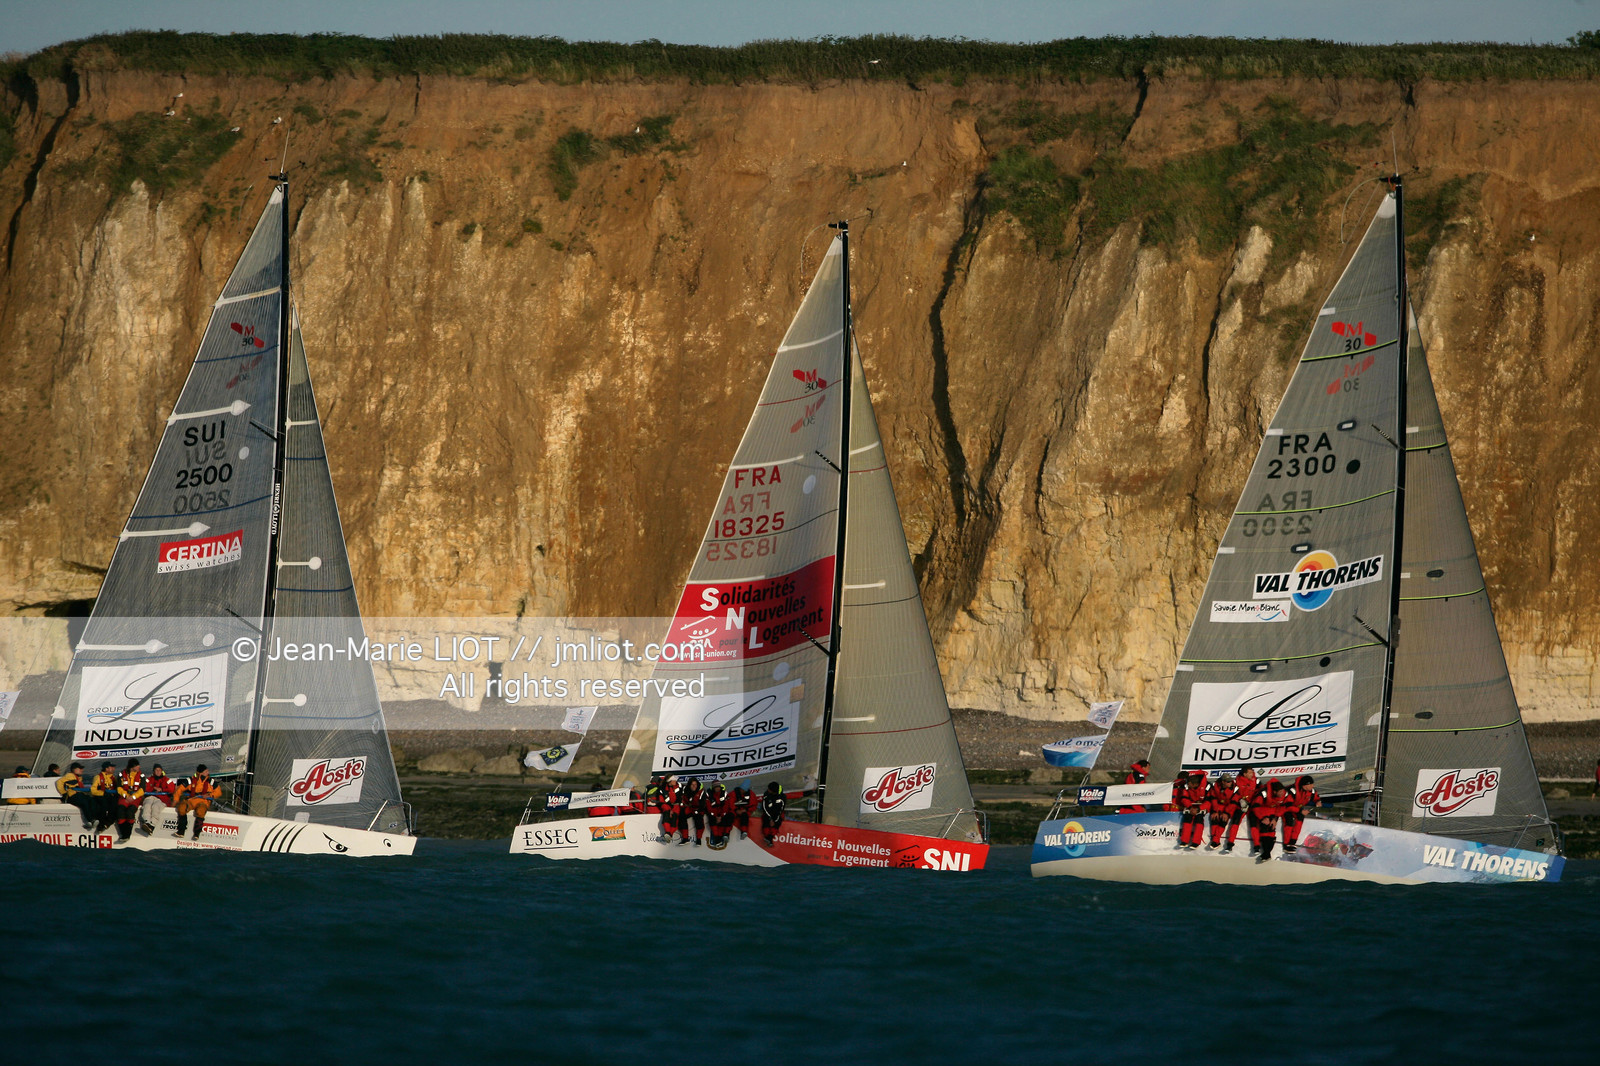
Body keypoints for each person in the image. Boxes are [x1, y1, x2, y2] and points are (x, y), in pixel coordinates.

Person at [173, 765, 221, 840]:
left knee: (201, 811)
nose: (208, 772)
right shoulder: (190, 780)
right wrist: (176, 800)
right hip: (191, 800)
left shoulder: (211, 782)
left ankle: (197, 833)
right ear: (200, 773)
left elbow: (218, 792)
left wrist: (210, 795)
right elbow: (179, 789)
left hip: (204, 801)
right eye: (206, 771)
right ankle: (181, 830)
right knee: (182, 807)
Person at [1251, 779, 1289, 862]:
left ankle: (1266, 853)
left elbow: (1283, 807)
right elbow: (1256, 806)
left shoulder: (1284, 794)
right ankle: (1266, 853)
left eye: (1282, 791)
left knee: (1271, 829)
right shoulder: (1263, 793)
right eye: (1280, 792)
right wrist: (1262, 818)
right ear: (1274, 792)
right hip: (1262, 809)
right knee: (1264, 828)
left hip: (1274, 811)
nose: (1282, 793)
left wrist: (1275, 818)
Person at [1281, 775, 1319, 855]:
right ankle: (1286, 844)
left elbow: (1316, 797)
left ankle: (1292, 842)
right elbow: (1287, 805)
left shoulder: (1311, 791)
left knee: (1299, 821)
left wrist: (1318, 801)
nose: (1313, 786)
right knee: (1289, 822)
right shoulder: (1292, 791)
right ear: (1305, 785)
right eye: (1311, 784)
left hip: (1298, 809)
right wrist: (1300, 811)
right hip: (1286, 808)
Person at [139, 764, 177, 835]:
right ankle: (147, 822)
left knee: (155, 807)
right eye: (156, 770)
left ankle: (152, 825)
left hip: (162, 799)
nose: (158, 772)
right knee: (147, 805)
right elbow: (144, 787)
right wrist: (153, 788)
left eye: (159, 770)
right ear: (153, 771)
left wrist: (162, 789)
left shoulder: (167, 780)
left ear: (162, 771)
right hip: (150, 797)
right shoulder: (149, 779)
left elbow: (172, 789)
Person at [1205, 774, 1239, 850]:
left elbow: (1233, 803)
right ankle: (1215, 841)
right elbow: (1213, 799)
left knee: (1223, 820)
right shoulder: (1215, 786)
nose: (1230, 783)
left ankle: (1215, 840)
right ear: (1223, 782)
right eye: (1228, 782)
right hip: (1218, 805)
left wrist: (1226, 813)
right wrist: (1215, 811)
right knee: (1214, 818)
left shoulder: (1235, 788)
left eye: (1230, 781)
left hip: (1229, 806)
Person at [114, 759, 145, 841]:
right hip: (125, 797)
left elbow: (142, 789)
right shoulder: (121, 774)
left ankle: (127, 834)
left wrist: (133, 797)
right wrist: (126, 796)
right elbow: (119, 787)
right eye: (137, 765)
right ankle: (123, 833)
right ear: (132, 767)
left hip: (135, 798)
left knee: (130, 812)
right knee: (120, 811)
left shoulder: (141, 776)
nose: (139, 767)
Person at [56, 763, 93, 828]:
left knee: (91, 800)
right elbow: (59, 782)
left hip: (78, 794)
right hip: (72, 795)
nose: (82, 770)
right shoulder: (69, 776)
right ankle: (90, 820)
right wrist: (64, 793)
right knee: (84, 802)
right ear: (74, 770)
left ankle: (94, 818)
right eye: (80, 769)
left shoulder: (79, 778)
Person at [704, 782, 736, 850]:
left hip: (722, 813)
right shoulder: (708, 794)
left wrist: (721, 815)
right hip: (714, 813)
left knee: (728, 817)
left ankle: (725, 835)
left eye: (718, 787)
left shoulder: (724, 794)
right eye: (715, 787)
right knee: (712, 819)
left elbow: (726, 806)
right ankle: (717, 838)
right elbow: (709, 807)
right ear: (713, 788)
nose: (717, 788)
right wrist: (715, 816)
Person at [90, 762, 119, 832]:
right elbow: (93, 790)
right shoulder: (98, 777)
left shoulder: (113, 778)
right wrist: (102, 793)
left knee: (116, 806)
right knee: (103, 805)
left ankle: (107, 823)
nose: (113, 769)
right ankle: (101, 824)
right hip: (101, 797)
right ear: (106, 768)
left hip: (111, 798)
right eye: (111, 767)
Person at [758, 782, 785, 846]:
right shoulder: (766, 794)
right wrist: (770, 818)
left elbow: (781, 809)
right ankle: (767, 837)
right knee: (765, 821)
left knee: (777, 822)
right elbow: (764, 807)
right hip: (768, 812)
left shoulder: (782, 797)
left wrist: (774, 820)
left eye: (769, 789)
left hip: (777, 813)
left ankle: (770, 838)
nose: (768, 790)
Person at [658, 775, 683, 844]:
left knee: (675, 821)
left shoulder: (679, 786)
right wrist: (669, 810)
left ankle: (669, 835)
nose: (675, 781)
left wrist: (674, 809)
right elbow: (662, 801)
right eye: (674, 780)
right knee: (666, 818)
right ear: (670, 781)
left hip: (676, 807)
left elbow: (681, 798)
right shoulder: (662, 789)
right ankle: (668, 833)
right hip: (667, 807)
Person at [683, 778, 706, 846]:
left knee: (699, 820)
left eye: (695, 784)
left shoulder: (701, 792)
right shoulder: (686, 791)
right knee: (682, 816)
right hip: (690, 808)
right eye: (692, 784)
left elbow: (703, 804)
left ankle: (699, 839)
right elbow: (684, 800)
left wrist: (697, 810)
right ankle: (685, 838)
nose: (694, 786)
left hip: (699, 809)